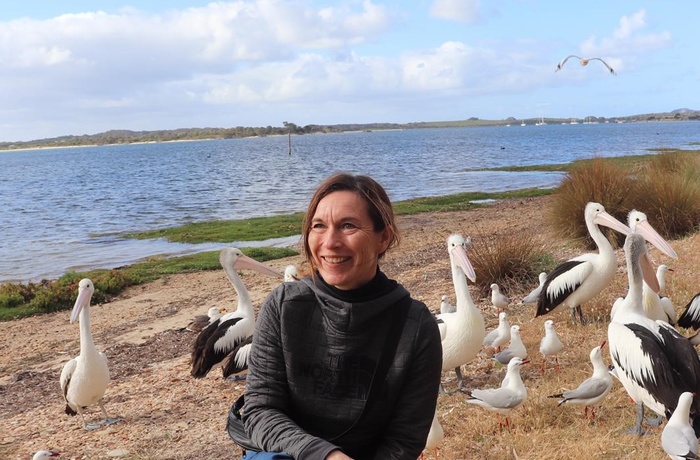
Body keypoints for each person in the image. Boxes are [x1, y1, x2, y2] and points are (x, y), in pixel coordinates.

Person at [240, 172, 443, 459]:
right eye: (319, 226)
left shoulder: (416, 325)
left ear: (383, 238)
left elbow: (406, 438)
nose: (330, 242)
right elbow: (260, 410)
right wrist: (326, 455)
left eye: (348, 226)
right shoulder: (283, 305)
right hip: (289, 454)